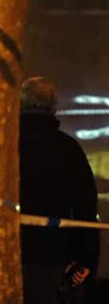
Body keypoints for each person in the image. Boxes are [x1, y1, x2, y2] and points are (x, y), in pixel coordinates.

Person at [19, 76, 99, 304]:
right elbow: (85, 205)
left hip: (2, 253)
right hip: (52, 259)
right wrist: (85, 259)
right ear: (54, 107)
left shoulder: (3, 146)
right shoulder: (68, 149)